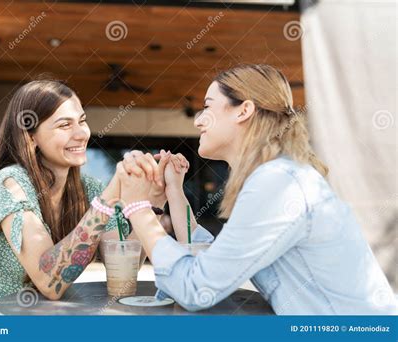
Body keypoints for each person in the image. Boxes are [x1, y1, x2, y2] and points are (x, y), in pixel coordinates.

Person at [116, 64, 398, 315]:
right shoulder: (278, 175)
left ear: (244, 110)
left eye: (208, 107)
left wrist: (138, 207)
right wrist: (174, 192)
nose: (198, 120)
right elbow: (216, 261)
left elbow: (196, 288)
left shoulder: (278, 184)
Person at [0, 79, 176, 315]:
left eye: (82, 121)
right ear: (31, 137)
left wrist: (153, 200)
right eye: (64, 125)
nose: (81, 134)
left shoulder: (88, 187)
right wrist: (109, 199)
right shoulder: (11, 183)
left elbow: (122, 269)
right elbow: (50, 282)